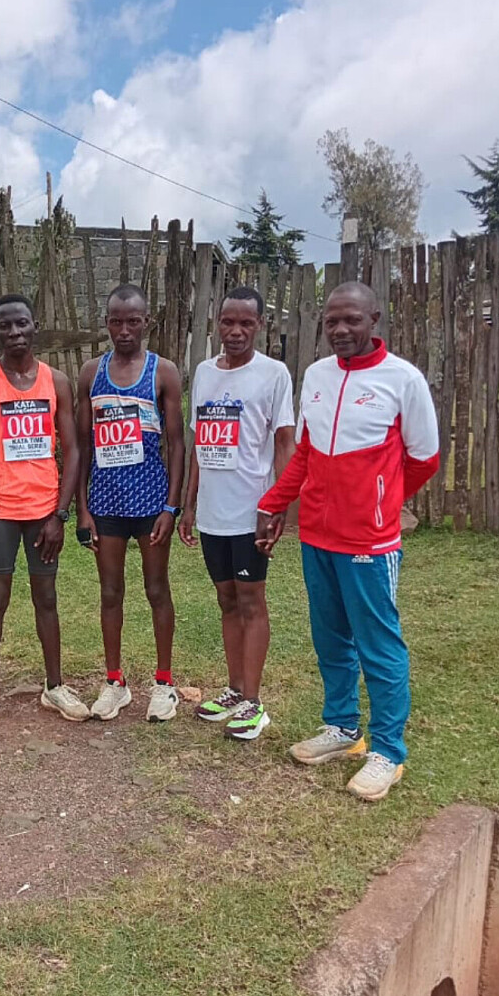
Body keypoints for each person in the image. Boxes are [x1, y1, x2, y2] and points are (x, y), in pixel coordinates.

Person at [256, 282, 439, 801]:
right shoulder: (317, 376)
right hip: (317, 536)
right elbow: (306, 454)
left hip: (369, 543)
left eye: (351, 320)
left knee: (379, 644)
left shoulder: (402, 380)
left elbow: (424, 459)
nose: (340, 330)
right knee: (331, 638)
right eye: (332, 321)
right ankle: (342, 728)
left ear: (374, 320)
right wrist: (274, 503)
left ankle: (388, 752)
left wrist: (378, 504)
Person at [0, 294, 87, 728]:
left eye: (21, 324)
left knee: (46, 597)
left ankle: (54, 686)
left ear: (35, 327)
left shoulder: (57, 382)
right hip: (0, 508)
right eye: (5, 326)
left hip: (44, 509)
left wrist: (60, 515)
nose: (15, 332)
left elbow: (72, 450)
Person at [177, 286, 295, 741]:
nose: (236, 330)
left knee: (251, 600)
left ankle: (254, 703)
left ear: (260, 325)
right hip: (213, 512)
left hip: (252, 512)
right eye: (228, 321)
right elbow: (198, 445)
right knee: (226, 599)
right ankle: (234, 688)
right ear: (217, 324)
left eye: (246, 322)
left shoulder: (273, 375)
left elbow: (284, 443)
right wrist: (189, 505)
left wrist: (276, 505)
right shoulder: (205, 374)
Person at [75, 283, 184, 723]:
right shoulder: (91, 373)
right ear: (106, 323)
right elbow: (82, 446)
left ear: (146, 323)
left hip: (151, 499)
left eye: (133, 322)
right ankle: (114, 682)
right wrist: (82, 508)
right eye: (116, 322)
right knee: (110, 591)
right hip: (105, 501)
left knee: (157, 589)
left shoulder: (163, 372)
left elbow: (177, 444)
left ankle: (164, 682)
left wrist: (171, 507)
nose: (124, 330)